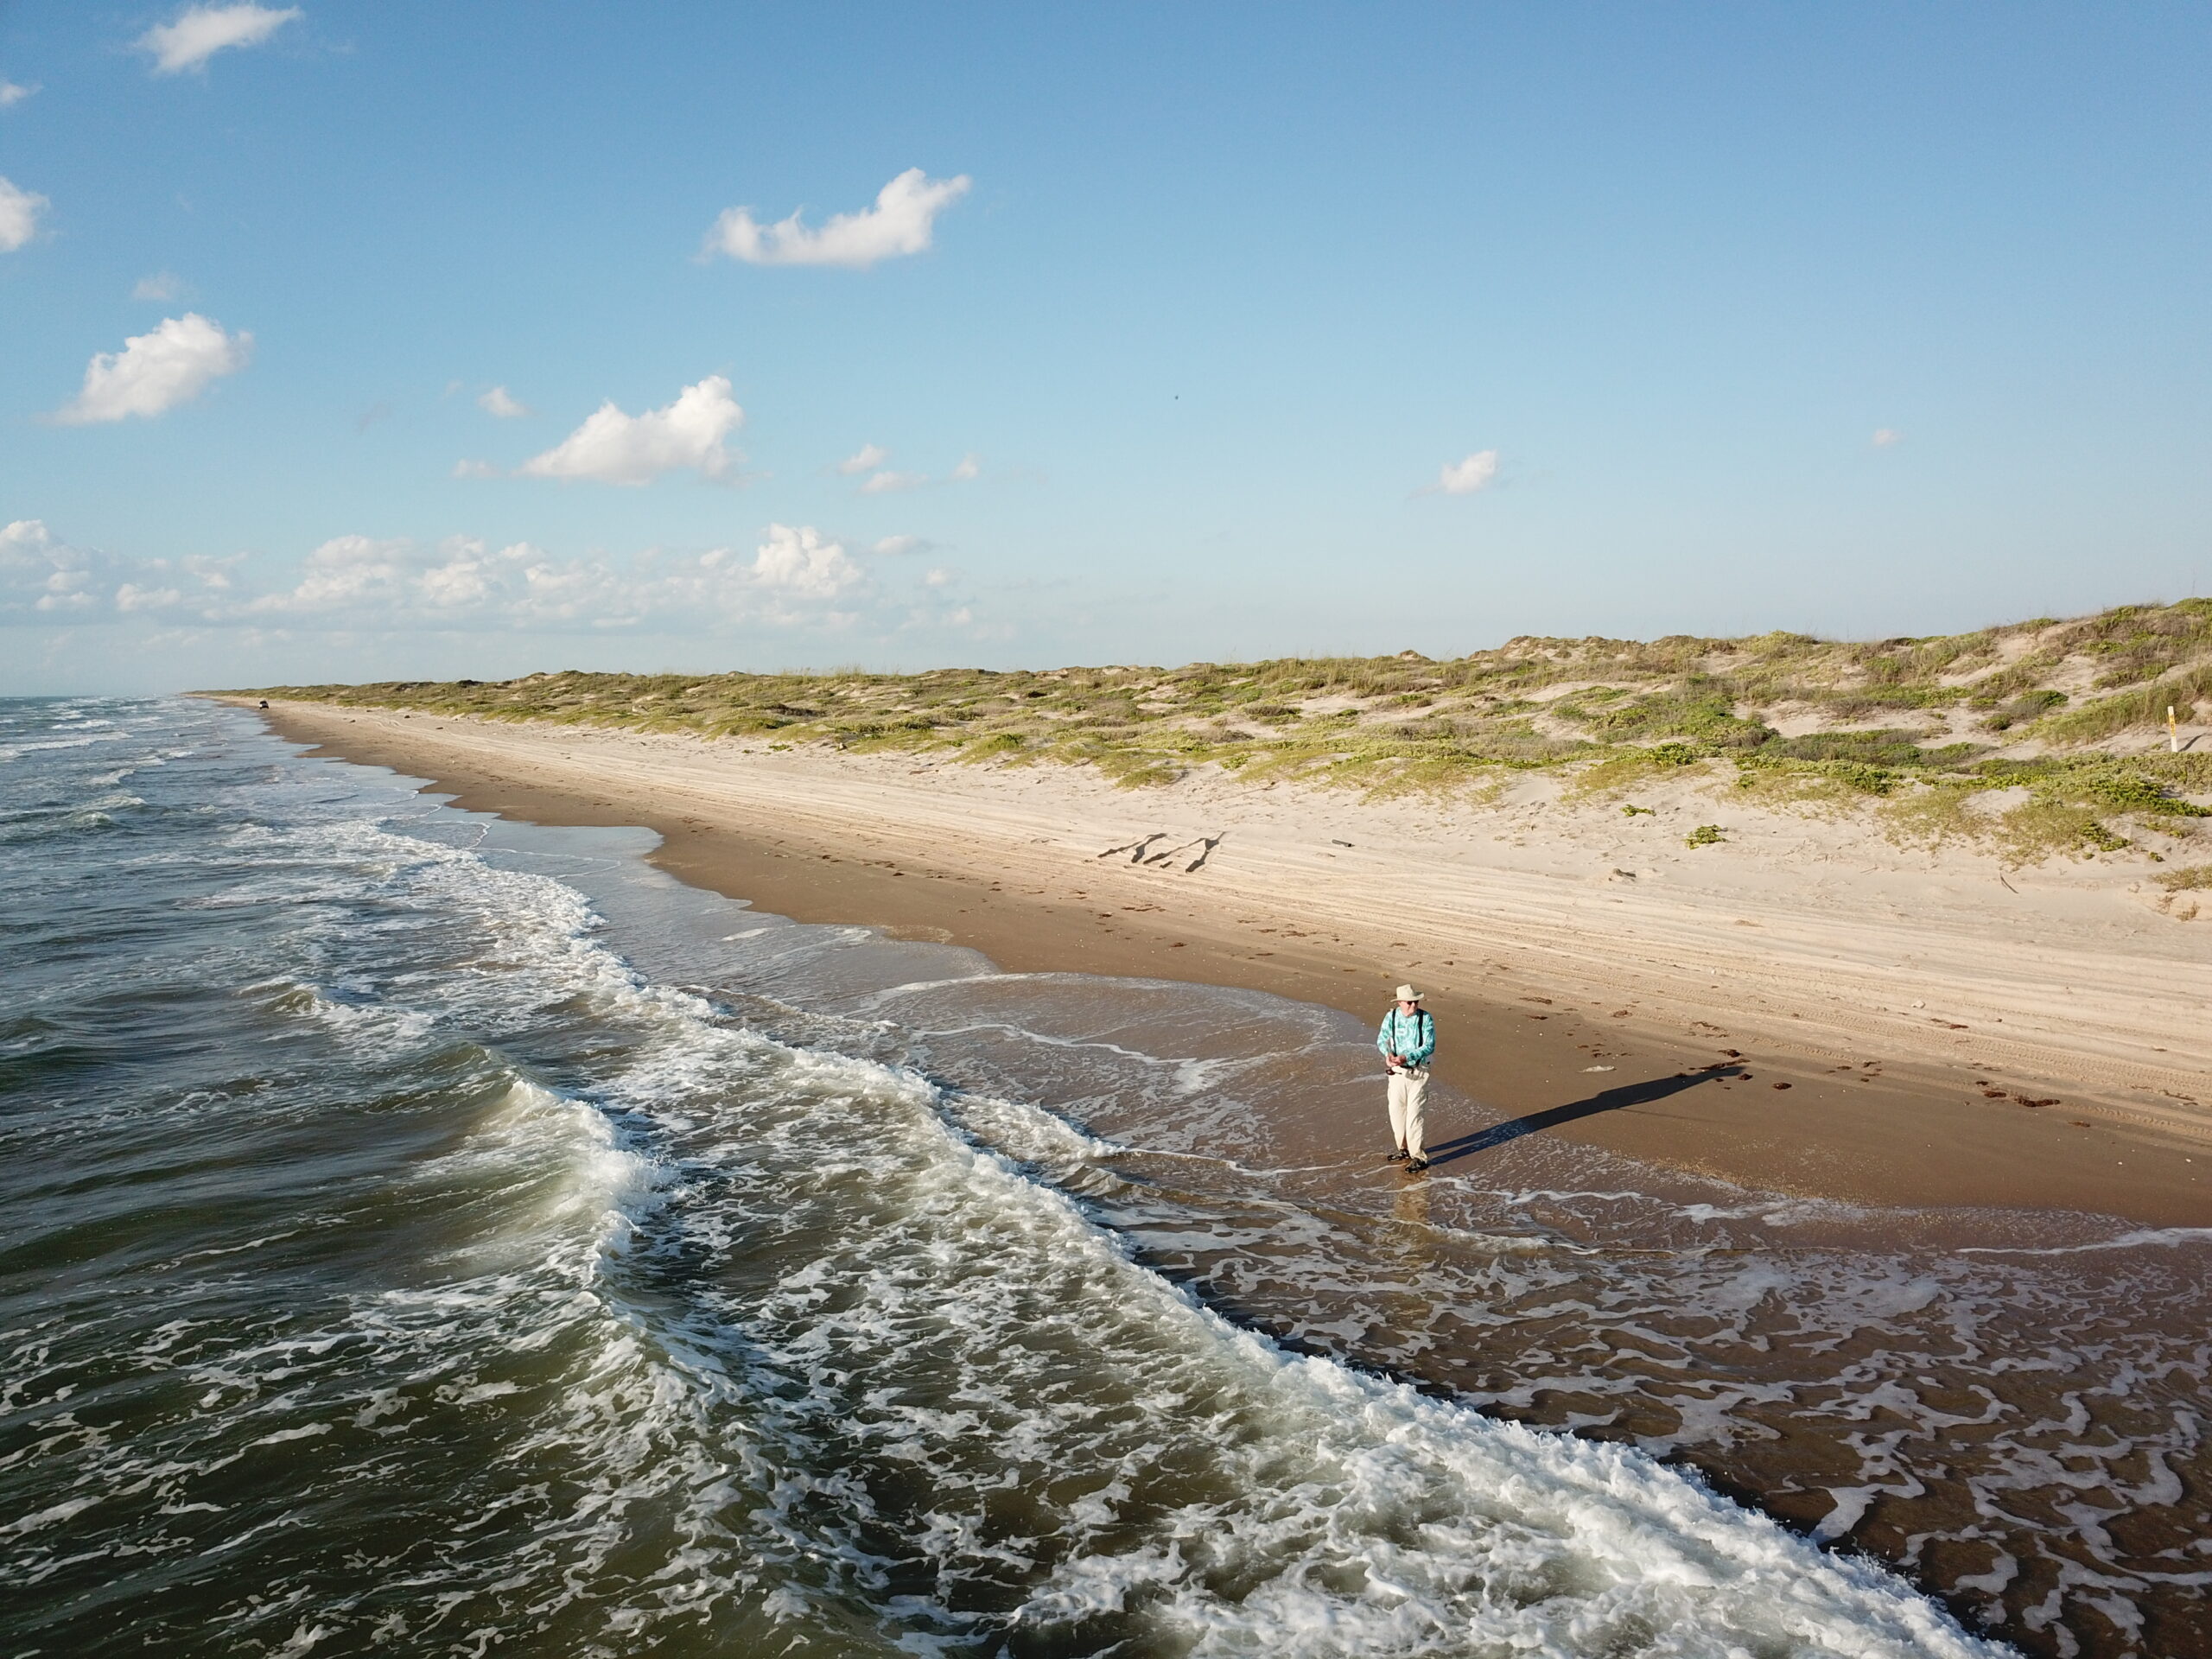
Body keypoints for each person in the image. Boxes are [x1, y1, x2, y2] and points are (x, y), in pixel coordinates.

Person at [1376, 984, 1435, 1172]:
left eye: (1416, 1002)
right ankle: (1404, 1150)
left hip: (1419, 1073)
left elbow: (1429, 1046)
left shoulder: (1425, 1019)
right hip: (1397, 1074)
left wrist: (1406, 1057)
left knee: (1414, 1116)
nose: (1413, 1005)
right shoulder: (1391, 1016)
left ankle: (1419, 1157)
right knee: (1396, 1114)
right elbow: (1382, 1039)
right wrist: (1388, 1055)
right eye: (1409, 1002)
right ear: (1400, 1002)